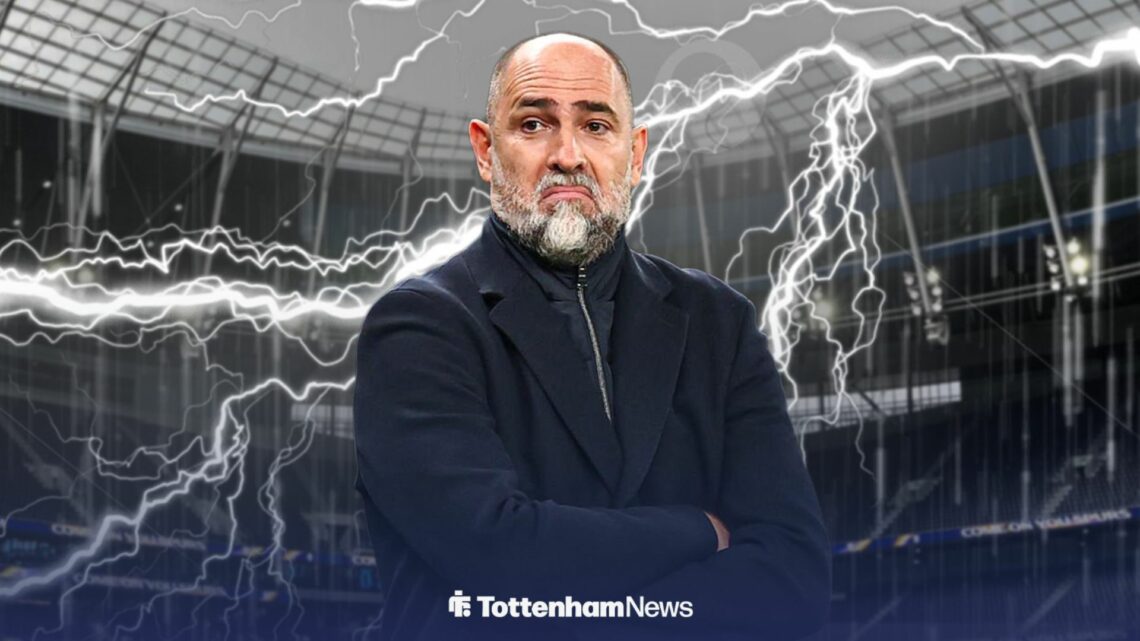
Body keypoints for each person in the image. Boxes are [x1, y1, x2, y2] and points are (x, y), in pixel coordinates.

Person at [353, 32, 831, 641]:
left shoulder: (719, 323)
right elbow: (496, 554)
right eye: (533, 124)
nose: (568, 155)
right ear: (484, 150)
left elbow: (795, 582)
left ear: (635, 155)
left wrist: (577, 592)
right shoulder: (420, 326)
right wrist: (697, 531)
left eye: (596, 126)